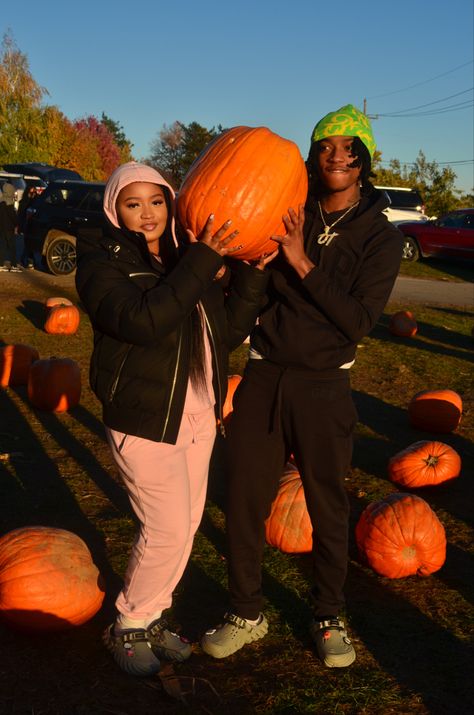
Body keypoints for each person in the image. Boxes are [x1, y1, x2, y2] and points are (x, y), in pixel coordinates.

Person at [200, 104, 404, 668]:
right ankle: (246, 609)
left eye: (349, 146)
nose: (337, 155)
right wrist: (246, 267)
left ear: (363, 160)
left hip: (325, 385)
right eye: (326, 145)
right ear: (314, 156)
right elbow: (258, 290)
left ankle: (328, 614)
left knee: (326, 504)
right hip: (265, 373)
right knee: (243, 496)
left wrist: (302, 261)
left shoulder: (380, 239)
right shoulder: (290, 210)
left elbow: (359, 321)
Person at [75, 161, 270, 677]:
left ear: (170, 204)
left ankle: (154, 614)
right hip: (146, 418)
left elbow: (223, 333)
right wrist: (203, 260)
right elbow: (144, 320)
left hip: (199, 410)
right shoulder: (102, 261)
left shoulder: (185, 257)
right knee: (162, 530)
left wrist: (251, 275)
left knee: (184, 527)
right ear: (114, 210)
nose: (147, 214)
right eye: (132, 204)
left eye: (156, 201)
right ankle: (128, 623)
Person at [0, 183, 21, 272]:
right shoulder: (9, 203)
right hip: (9, 228)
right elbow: (13, 217)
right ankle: (13, 265)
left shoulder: (1, 202)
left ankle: (1, 264)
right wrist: (17, 223)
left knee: (3, 246)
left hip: (2, 227)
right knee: (12, 247)